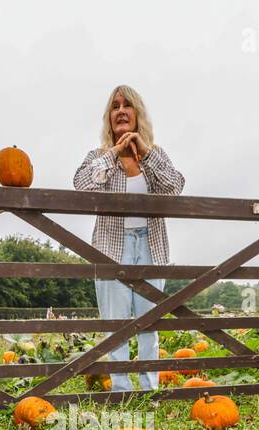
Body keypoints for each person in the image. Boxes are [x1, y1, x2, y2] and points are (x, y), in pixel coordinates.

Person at [73, 85, 185, 391]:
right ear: (109, 117)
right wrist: (114, 153)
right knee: (116, 323)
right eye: (115, 106)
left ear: (138, 114)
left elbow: (174, 187)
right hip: (111, 246)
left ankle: (149, 388)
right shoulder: (98, 156)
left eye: (127, 105)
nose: (121, 111)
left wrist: (144, 153)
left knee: (150, 323)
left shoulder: (156, 154)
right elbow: (81, 185)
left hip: (151, 245)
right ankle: (121, 389)